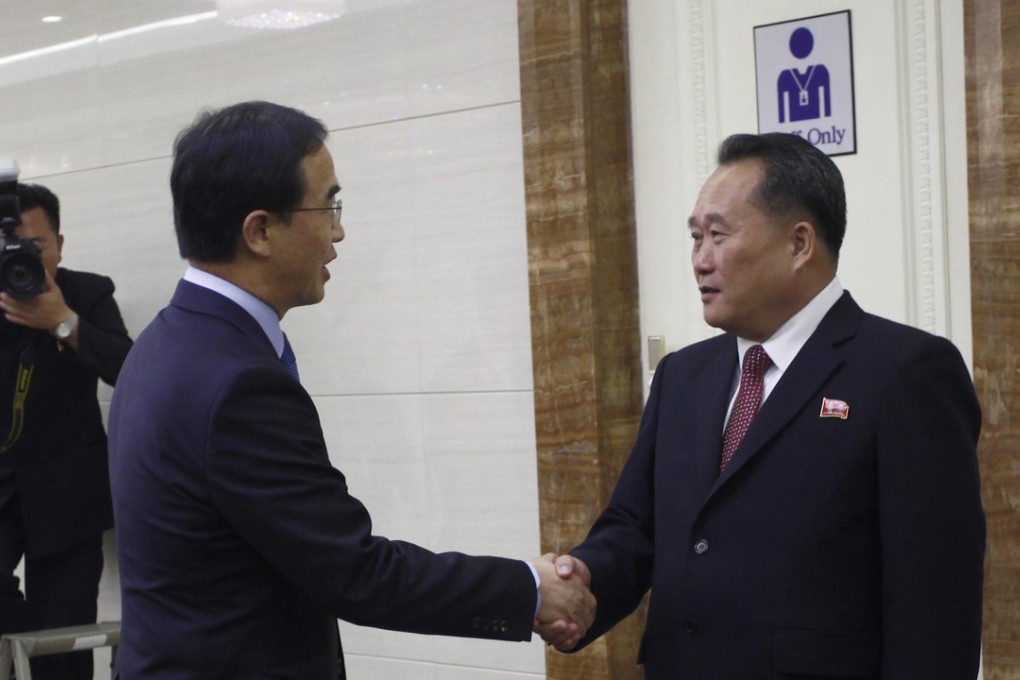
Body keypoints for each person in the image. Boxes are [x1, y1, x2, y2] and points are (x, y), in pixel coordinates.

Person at [106, 100, 594, 680]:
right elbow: (353, 572)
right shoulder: (236, 380)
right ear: (260, 230)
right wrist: (528, 589)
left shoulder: (163, 345)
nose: (339, 230)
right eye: (328, 204)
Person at [539, 132, 986, 679]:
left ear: (799, 244)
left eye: (719, 236)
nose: (701, 261)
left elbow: (934, 602)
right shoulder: (684, 375)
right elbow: (636, 527)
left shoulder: (905, 372)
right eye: (695, 238)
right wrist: (579, 582)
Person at [0, 183, 133, 680]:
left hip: (67, 490)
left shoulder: (88, 291)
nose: (25, 258)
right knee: (29, 635)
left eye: (36, 247)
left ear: (60, 242)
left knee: (66, 643)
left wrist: (64, 323)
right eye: (12, 248)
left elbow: (130, 369)